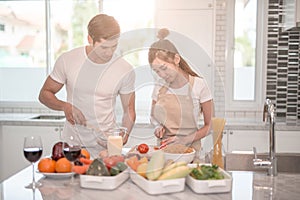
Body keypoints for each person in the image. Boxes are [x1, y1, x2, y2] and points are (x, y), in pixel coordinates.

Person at [39, 14, 136, 156]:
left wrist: (125, 133)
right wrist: (65, 106)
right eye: (104, 47)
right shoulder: (68, 60)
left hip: (106, 147)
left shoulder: (124, 69)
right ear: (90, 39)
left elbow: (129, 110)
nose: (109, 52)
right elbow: (44, 94)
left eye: (113, 46)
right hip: (73, 146)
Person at [149, 28, 213, 161]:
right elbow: (153, 116)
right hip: (164, 154)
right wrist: (157, 126)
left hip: (191, 154)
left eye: (164, 68)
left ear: (176, 59)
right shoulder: (159, 86)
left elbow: (210, 125)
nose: (162, 75)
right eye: (157, 71)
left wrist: (184, 140)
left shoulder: (199, 85)